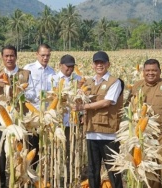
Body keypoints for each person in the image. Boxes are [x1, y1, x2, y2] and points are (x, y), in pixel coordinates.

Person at [0, 45, 36, 188]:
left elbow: (33, 95)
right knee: (0, 151)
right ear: (2, 57)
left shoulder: (25, 74)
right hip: (1, 119)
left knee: (20, 150)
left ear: (16, 57)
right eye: (6, 56)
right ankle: (0, 182)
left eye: (12, 56)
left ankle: (19, 180)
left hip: (20, 119)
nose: (9, 58)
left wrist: (19, 91)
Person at [73, 51, 123, 188]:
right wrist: (82, 113)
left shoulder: (115, 82)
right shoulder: (88, 82)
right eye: (97, 63)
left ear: (108, 64)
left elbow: (107, 102)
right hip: (91, 131)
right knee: (93, 169)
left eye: (103, 62)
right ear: (93, 65)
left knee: (114, 170)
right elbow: (81, 99)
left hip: (108, 132)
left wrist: (84, 106)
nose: (99, 65)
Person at [128, 59, 162, 188]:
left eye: (154, 70)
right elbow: (129, 110)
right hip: (144, 138)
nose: (150, 73)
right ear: (143, 72)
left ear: (160, 71)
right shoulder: (137, 86)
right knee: (150, 175)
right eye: (147, 70)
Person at [23, 44, 55, 171]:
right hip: (32, 115)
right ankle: (29, 173)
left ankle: (42, 174)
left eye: (47, 55)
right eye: (43, 55)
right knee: (32, 146)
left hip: (47, 115)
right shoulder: (28, 69)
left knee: (46, 146)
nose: (45, 58)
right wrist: (37, 98)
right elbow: (23, 91)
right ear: (37, 54)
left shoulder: (52, 72)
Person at [51, 54, 81, 184]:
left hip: (72, 122)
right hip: (56, 123)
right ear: (60, 66)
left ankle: (70, 177)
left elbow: (82, 99)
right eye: (67, 66)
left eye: (72, 66)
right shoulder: (52, 78)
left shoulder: (78, 79)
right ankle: (56, 177)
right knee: (55, 150)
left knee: (71, 149)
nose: (70, 69)